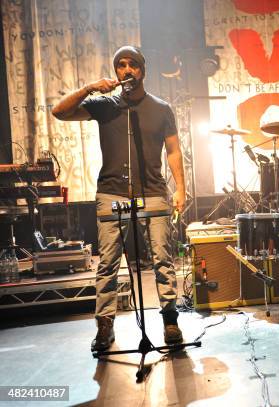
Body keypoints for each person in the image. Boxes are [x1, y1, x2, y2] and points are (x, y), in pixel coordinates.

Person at [52, 46, 186, 351]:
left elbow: (174, 151)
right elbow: (59, 112)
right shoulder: (105, 105)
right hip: (112, 192)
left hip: (152, 193)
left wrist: (181, 188)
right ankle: (105, 326)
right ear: (116, 72)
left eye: (132, 65)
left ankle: (169, 320)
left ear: (143, 70)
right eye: (121, 65)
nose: (126, 70)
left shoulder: (162, 109)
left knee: (163, 260)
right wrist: (88, 88)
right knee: (108, 263)